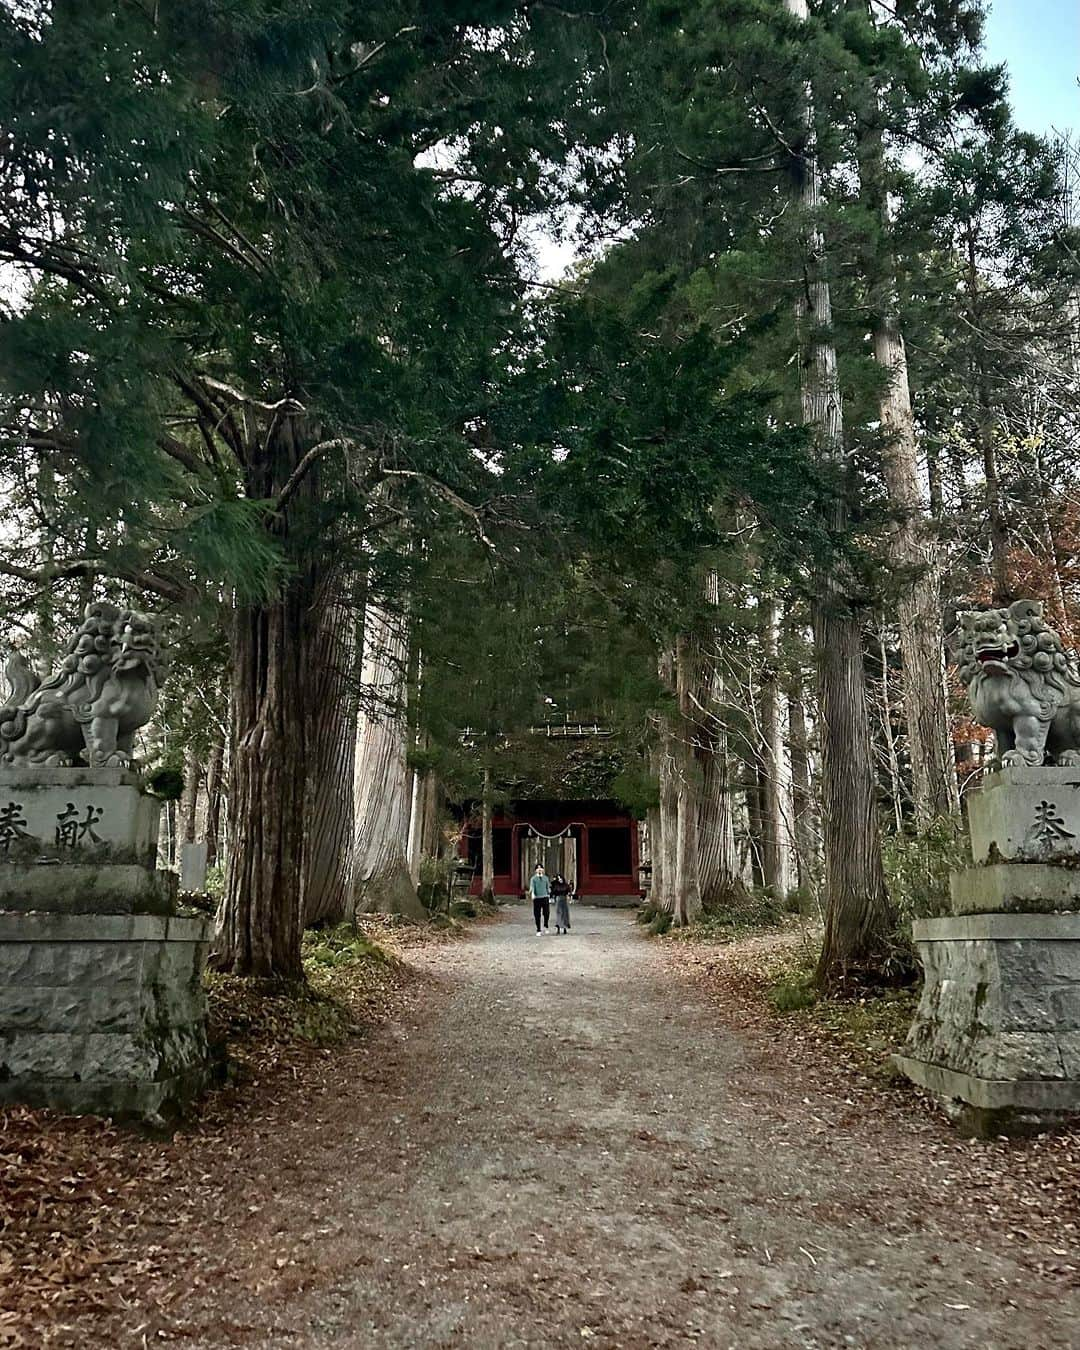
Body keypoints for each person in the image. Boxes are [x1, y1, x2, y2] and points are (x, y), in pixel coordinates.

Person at [528, 864, 550, 935]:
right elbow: (532, 887)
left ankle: (546, 925)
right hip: (537, 898)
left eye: (541, 868)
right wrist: (532, 893)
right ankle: (538, 929)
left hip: (545, 897)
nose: (539, 869)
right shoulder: (533, 879)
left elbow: (548, 887)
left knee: (546, 913)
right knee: (537, 914)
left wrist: (550, 895)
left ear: (543, 870)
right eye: (538, 868)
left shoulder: (546, 878)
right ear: (535, 870)